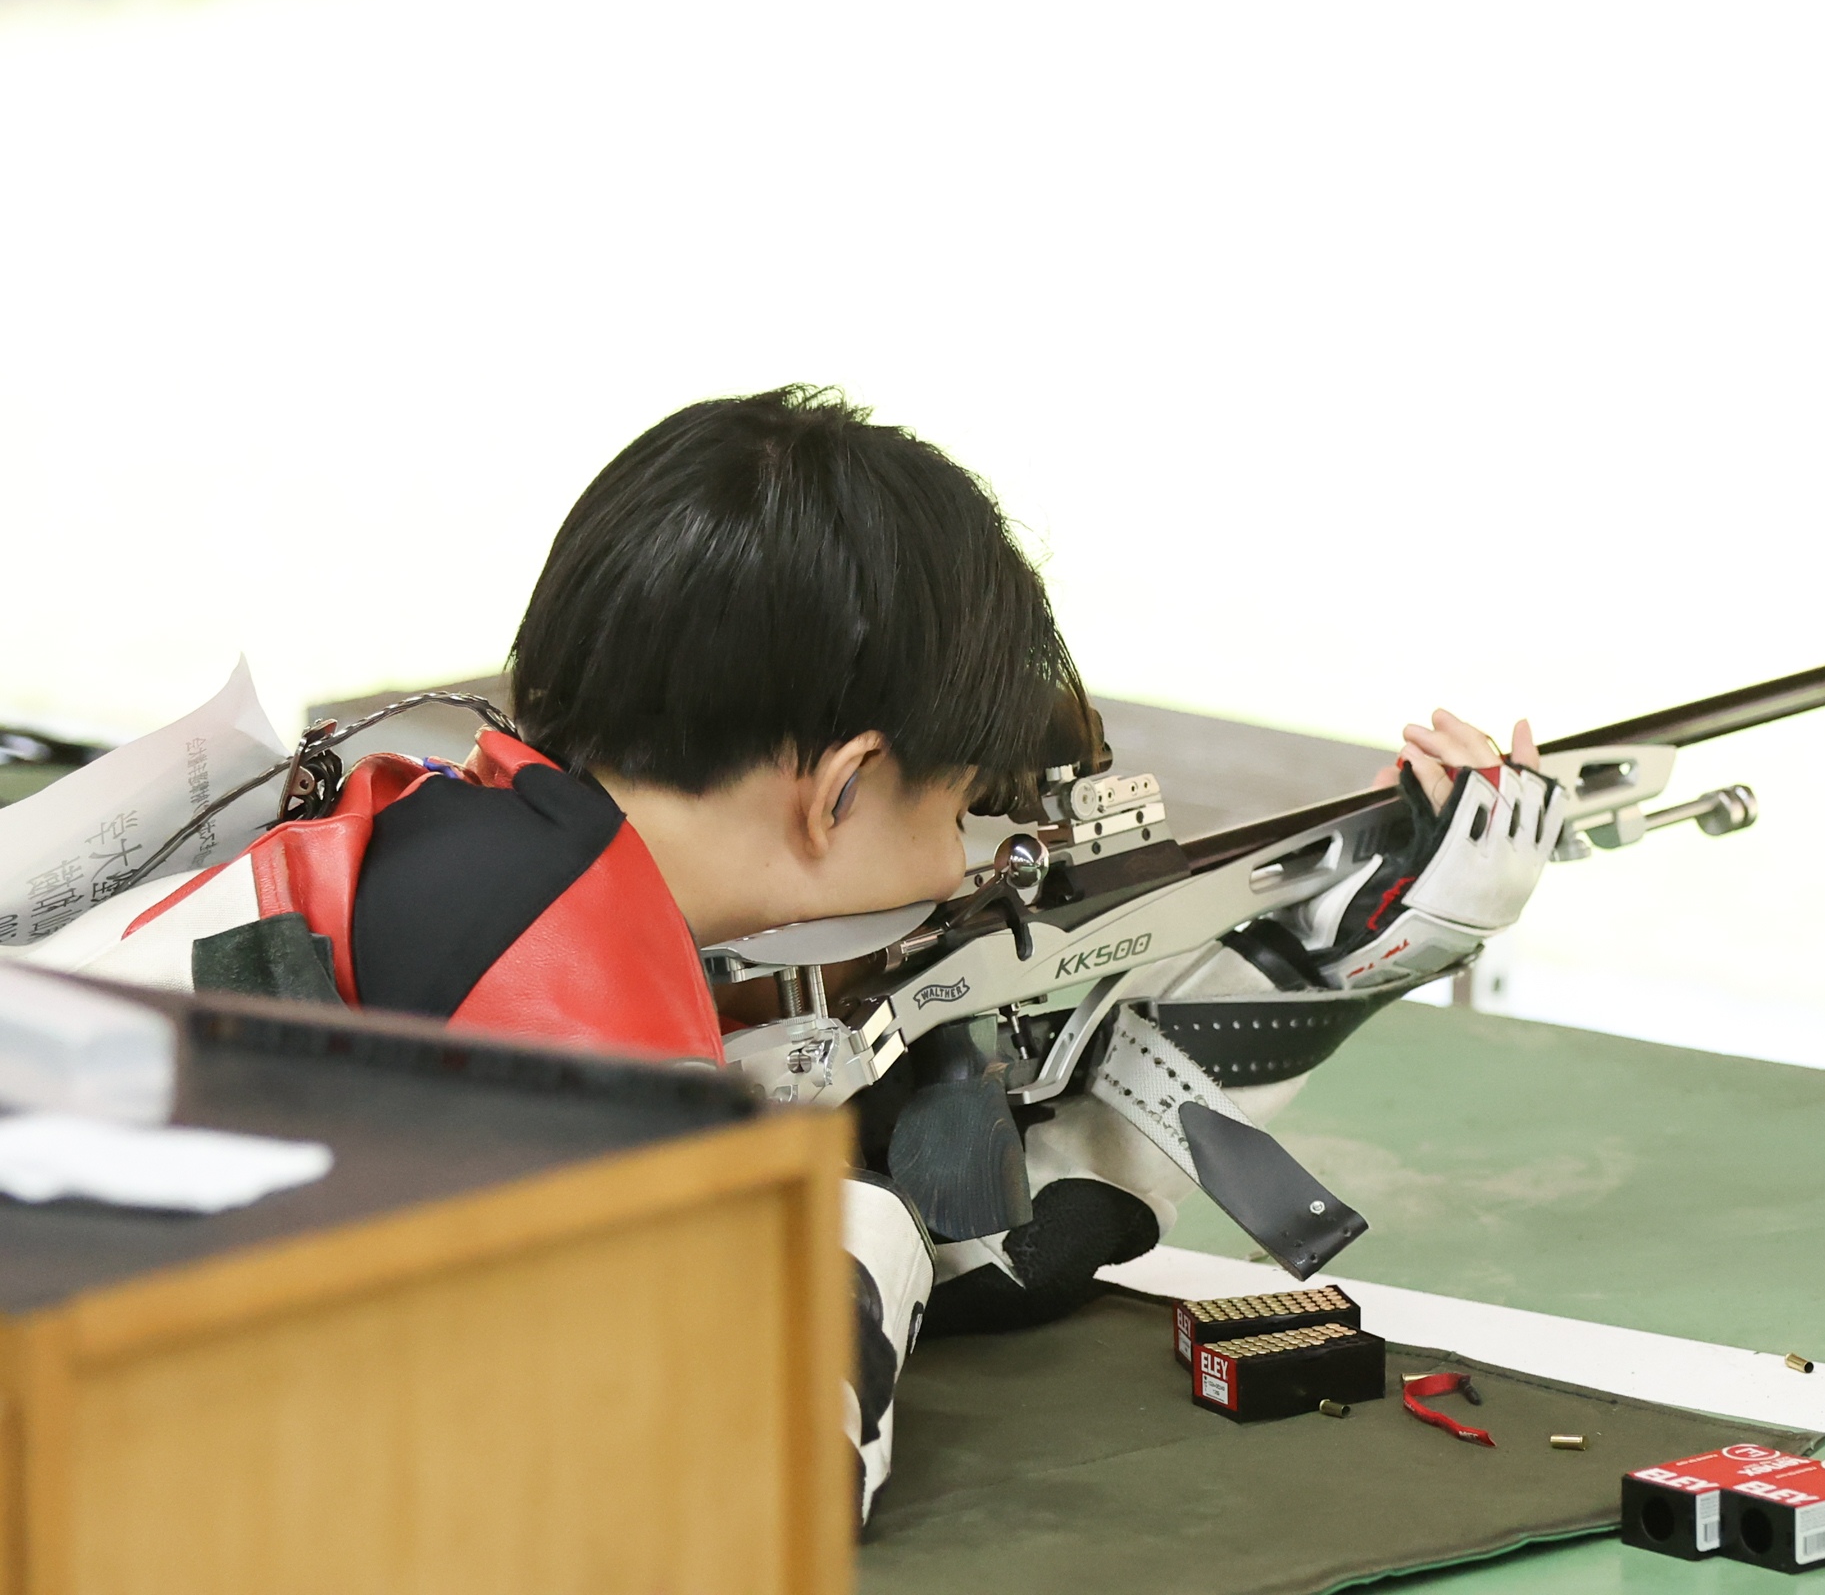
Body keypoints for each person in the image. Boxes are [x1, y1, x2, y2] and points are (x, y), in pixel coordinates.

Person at [28, 386, 1560, 1518]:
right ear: (837, 789)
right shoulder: (565, 978)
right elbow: (746, 1471)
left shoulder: (456, 834)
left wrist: (1321, 963)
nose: (974, 850)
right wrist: (856, 1222)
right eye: (962, 804)